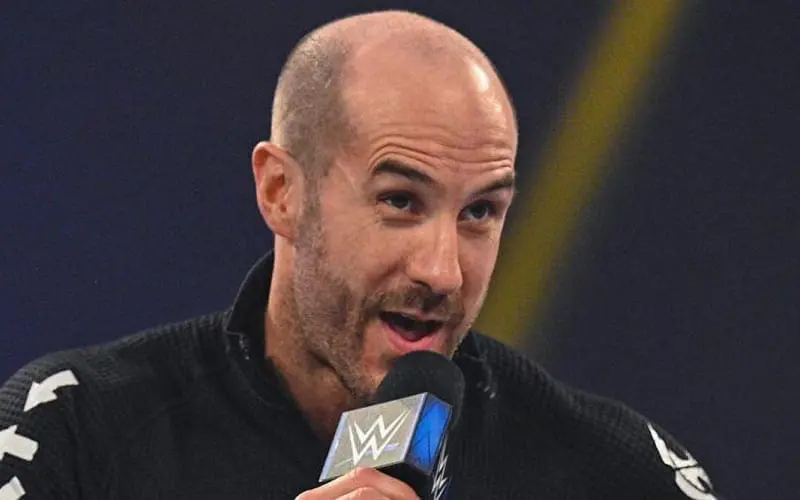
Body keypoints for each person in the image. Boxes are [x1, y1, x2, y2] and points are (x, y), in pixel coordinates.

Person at [0, 10, 721, 500]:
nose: (442, 271)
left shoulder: (619, 473)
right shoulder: (74, 432)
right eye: (400, 201)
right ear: (281, 191)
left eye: (480, 212)